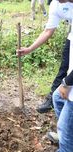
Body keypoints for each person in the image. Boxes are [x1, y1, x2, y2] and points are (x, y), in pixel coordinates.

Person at [17, 0, 73, 151]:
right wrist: (29, 49)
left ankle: (67, 140)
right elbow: (48, 30)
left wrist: (68, 82)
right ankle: (66, 132)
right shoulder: (56, 4)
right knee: (57, 97)